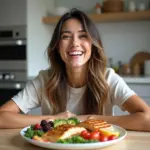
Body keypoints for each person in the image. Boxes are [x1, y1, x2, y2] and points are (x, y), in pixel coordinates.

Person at [0, 8, 150, 131]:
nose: (75, 43)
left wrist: (90, 119)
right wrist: (53, 120)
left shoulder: (108, 78)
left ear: (93, 44)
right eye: (66, 37)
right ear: (58, 46)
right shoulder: (45, 79)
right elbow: (2, 116)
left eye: (83, 36)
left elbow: (147, 118)